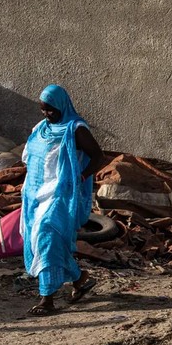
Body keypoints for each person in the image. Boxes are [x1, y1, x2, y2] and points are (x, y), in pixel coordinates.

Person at [21, 84, 106, 316]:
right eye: (43, 110)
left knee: (47, 236)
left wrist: (81, 176)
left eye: (50, 110)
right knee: (39, 239)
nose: (46, 114)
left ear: (61, 105)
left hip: (60, 194)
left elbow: (99, 157)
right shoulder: (41, 128)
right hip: (35, 194)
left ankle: (46, 298)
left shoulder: (76, 129)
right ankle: (80, 280)